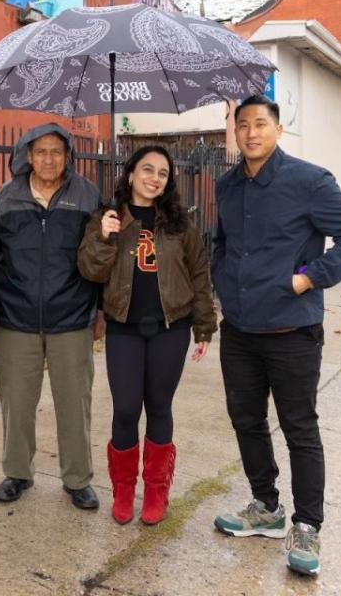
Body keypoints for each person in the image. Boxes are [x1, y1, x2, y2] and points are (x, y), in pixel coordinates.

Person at [211, 95, 341, 578]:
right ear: (235, 133)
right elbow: (221, 243)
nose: (251, 133)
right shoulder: (227, 185)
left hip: (291, 330)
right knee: (246, 420)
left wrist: (308, 278)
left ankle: (307, 524)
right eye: (242, 125)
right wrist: (224, 282)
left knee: (299, 427)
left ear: (278, 130)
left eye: (261, 124)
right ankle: (265, 506)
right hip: (239, 329)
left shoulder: (310, 181)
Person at [76, 144, 217, 526]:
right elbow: (90, 271)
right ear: (131, 173)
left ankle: (156, 489)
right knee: (125, 409)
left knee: (159, 407)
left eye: (163, 173)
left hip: (171, 328)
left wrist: (205, 324)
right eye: (147, 169)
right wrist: (104, 237)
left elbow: (200, 275)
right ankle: (123, 488)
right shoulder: (108, 218)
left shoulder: (179, 224)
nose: (155, 178)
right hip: (124, 328)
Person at [0, 123, 103, 510]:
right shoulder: (6, 196)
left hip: (71, 317)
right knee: (16, 402)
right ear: (27, 156)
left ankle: (77, 479)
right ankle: (17, 472)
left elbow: (102, 256)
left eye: (57, 151)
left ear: (68, 156)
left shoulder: (87, 195)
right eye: (41, 152)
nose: (49, 159)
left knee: (74, 403)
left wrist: (98, 310)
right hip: (15, 318)